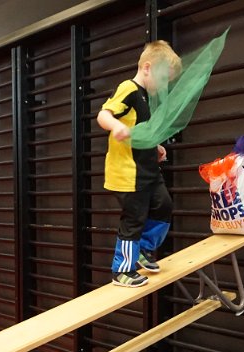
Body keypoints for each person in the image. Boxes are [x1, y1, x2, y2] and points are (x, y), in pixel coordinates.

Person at [97, 40, 182, 287]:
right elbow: (103, 115)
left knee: (164, 205)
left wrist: (156, 147)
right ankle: (122, 269)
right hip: (128, 172)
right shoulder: (129, 88)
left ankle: (142, 250)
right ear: (147, 68)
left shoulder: (146, 97)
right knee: (134, 218)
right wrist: (116, 126)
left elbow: (140, 131)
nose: (164, 86)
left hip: (148, 170)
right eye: (163, 79)